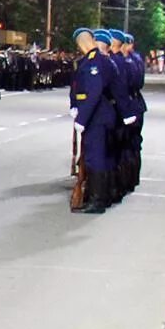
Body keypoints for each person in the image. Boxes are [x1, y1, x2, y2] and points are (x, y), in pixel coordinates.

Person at [70, 28, 117, 214]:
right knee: (96, 157)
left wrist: (82, 118)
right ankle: (99, 197)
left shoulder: (94, 62)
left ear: (82, 43)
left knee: (95, 158)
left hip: (96, 116)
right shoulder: (95, 60)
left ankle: (97, 201)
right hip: (98, 115)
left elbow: (94, 92)